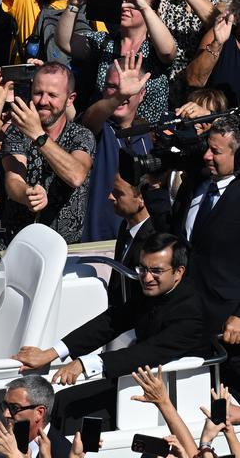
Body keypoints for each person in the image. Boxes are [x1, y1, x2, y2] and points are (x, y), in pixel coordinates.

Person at [15, 234, 207, 431]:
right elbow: (110, 322)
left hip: (167, 391)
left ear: (178, 272)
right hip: (134, 378)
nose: (147, 278)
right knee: (61, 401)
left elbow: (149, 352)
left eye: (156, 271)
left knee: (71, 408)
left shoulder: (191, 311)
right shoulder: (152, 292)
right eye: (142, 269)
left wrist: (84, 363)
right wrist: (51, 353)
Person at [170, 115, 240, 395]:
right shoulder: (196, 184)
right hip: (189, 312)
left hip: (228, 323)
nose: (207, 156)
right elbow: (178, 236)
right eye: (206, 148)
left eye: (217, 152)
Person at [57, 0, 176, 124]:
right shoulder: (103, 43)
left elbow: (167, 51)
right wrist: (73, 5)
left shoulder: (156, 47)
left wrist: (143, 6)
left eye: (134, 1)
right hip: (105, 133)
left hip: (147, 137)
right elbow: (65, 42)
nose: (125, 6)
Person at [1, 62, 96, 244]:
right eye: (38, 93)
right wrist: (28, 194)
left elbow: (76, 176)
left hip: (65, 247)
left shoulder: (81, 135)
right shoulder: (16, 131)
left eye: (52, 95)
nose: (43, 101)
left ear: (70, 99)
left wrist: (38, 135)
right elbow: (13, 181)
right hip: (19, 243)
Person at [80, 53, 155, 242]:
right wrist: (121, 95)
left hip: (138, 243)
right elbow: (89, 120)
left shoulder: (148, 135)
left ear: (142, 93)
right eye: (112, 87)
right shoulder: (97, 127)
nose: (120, 91)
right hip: (95, 243)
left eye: (127, 87)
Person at [107, 172, 155, 304]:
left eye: (118, 193)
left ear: (141, 199)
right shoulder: (126, 226)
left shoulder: (153, 237)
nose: (110, 197)